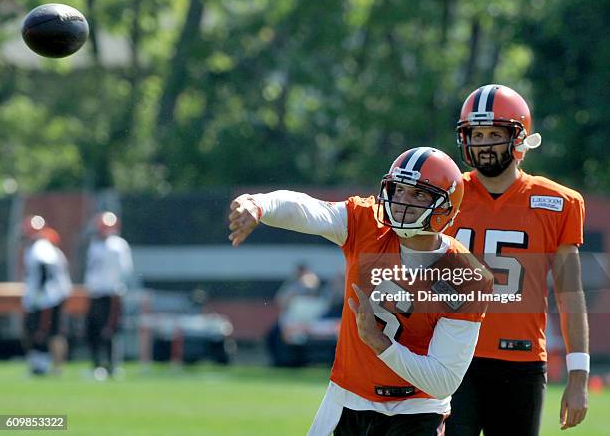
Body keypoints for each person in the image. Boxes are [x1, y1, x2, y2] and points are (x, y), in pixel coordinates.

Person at [229, 147, 494, 436]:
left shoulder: (466, 275)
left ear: (446, 207)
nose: (402, 202)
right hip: (348, 399)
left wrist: (379, 342)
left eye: (418, 195)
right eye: (398, 189)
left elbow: (443, 381)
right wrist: (259, 205)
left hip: (417, 410)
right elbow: (309, 209)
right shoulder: (367, 224)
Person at [444, 84, 589, 435]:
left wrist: (578, 375)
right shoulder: (446, 194)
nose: (483, 143)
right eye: (476, 134)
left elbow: (570, 294)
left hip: (520, 362)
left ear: (519, 139)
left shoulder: (559, 202)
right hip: (450, 358)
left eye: (494, 133)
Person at [84, 211, 133, 380]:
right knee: (93, 330)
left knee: (110, 331)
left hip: (112, 293)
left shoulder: (117, 245)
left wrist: (118, 288)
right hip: (96, 293)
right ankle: (97, 365)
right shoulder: (95, 244)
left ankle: (112, 366)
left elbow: (125, 270)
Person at [21, 215, 72, 375]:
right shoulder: (47, 246)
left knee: (43, 332)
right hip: (51, 295)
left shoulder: (41, 246)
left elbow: (44, 269)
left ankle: (45, 366)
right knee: (51, 332)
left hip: (47, 298)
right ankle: (53, 366)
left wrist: (38, 294)